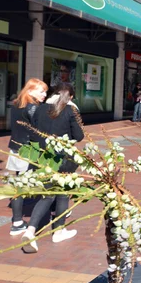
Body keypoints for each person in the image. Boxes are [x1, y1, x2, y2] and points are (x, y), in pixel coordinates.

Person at [21, 83, 84, 253]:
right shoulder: (70, 110)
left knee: (47, 196)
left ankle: (30, 230)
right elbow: (78, 136)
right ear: (70, 96)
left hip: (44, 158)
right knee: (62, 195)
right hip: (64, 159)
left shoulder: (40, 109)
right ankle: (59, 231)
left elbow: (34, 132)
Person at [6, 78, 48, 236]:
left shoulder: (16, 105)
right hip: (30, 150)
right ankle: (20, 222)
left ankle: (17, 221)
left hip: (16, 148)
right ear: (30, 91)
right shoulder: (35, 108)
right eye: (41, 91)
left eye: (45, 91)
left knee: (19, 184)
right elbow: (37, 133)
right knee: (44, 182)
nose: (44, 94)